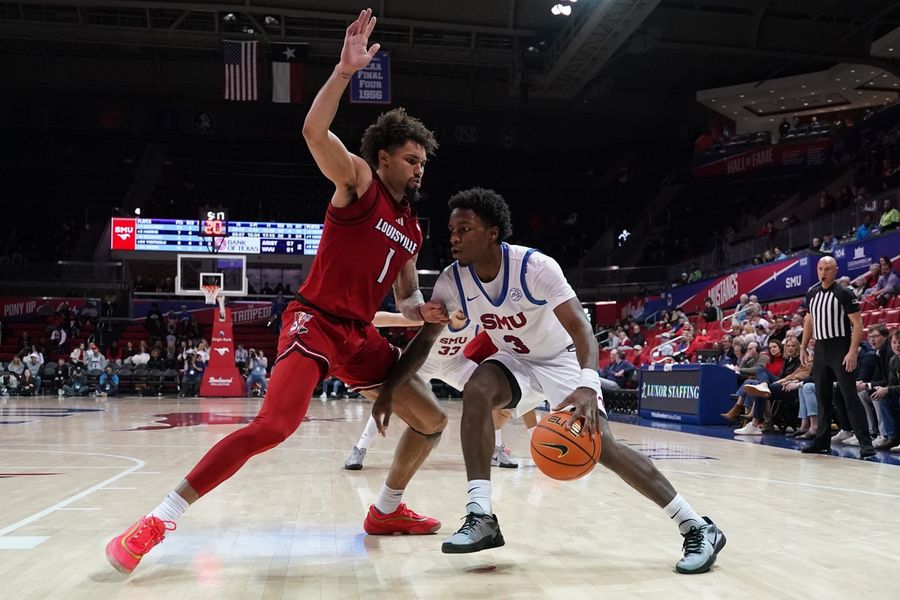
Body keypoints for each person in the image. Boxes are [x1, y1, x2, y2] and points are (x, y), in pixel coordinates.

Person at [105, 9, 447, 575]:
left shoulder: (412, 229)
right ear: (384, 156)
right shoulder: (358, 181)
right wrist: (342, 72)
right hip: (314, 322)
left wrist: (426, 311)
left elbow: (407, 303)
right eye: (412, 159)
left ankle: (386, 510)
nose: (419, 170)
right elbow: (314, 133)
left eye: (423, 164)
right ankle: (159, 518)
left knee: (432, 419)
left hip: (359, 337)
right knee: (274, 426)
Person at [375, 188, 725, 574]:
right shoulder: (452, 281)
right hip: (517, 360)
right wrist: (390, 389)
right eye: (452, 230)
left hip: (562, 360)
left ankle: (697, 526)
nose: (454, 237)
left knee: (603, 447)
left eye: (465, 228)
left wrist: (588, 384)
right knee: (477, 388)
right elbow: (426, 339)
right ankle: (481, 516)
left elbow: (582, 330)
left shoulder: (534, 267)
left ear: (492, 232)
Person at [345, 312, 529, 470]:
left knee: (491, 389)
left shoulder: (478, 320)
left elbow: (509, 327)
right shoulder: (436, 317)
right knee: (390, 400)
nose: (461, 308)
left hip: (454, 365)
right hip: (423, 364)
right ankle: (359, 448)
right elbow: (389, 317)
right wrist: (361, 319)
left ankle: (495, 451)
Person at [800, 256, 874, 458]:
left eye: (828, 269)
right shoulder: (812, 293)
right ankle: (821, 441)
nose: (823, 272)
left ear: (836, 270)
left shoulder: (844, 293)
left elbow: (858, 325)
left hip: (841, 347)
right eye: (821, 268)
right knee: (822, 398)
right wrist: (803, 347)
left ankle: (865, 444)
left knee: (850, 396)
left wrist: (852, 351)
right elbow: (809, 321)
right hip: (821, 349)